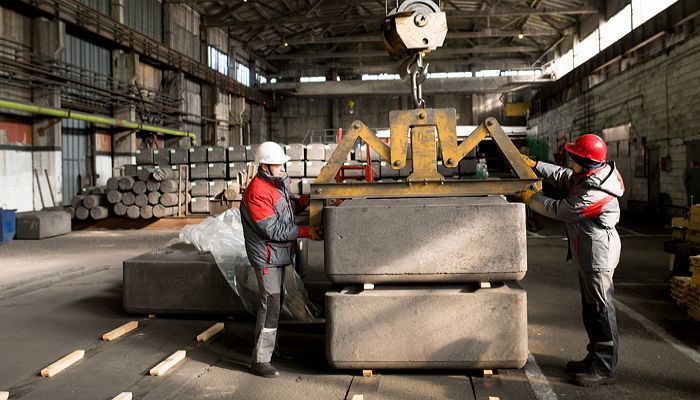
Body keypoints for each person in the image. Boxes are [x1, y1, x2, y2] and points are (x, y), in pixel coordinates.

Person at [514, 134, 625, 387]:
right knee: (591, 309)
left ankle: (604, 368)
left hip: (598, 256)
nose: (568, 160)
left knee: (601, 311)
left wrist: (531, 198)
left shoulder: (595, 193)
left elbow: (561, 210)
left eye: (572, 157)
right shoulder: (591, 174)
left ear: (584, 162)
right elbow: (565, 176)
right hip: (588, 252)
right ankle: (594, 357)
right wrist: (535, 165)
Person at [240, 141, 321, 378]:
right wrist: (306, 232)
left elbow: (290, 207)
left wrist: (306, 200)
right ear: (264, 166)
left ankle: (271, 350)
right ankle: (260, 360)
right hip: (267, 257)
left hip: (279, 253)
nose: (283, 168)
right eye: (278, 165)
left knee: (278, 301)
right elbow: (272, 230)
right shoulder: (256, 192)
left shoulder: (278, 183)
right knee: (271, 303)